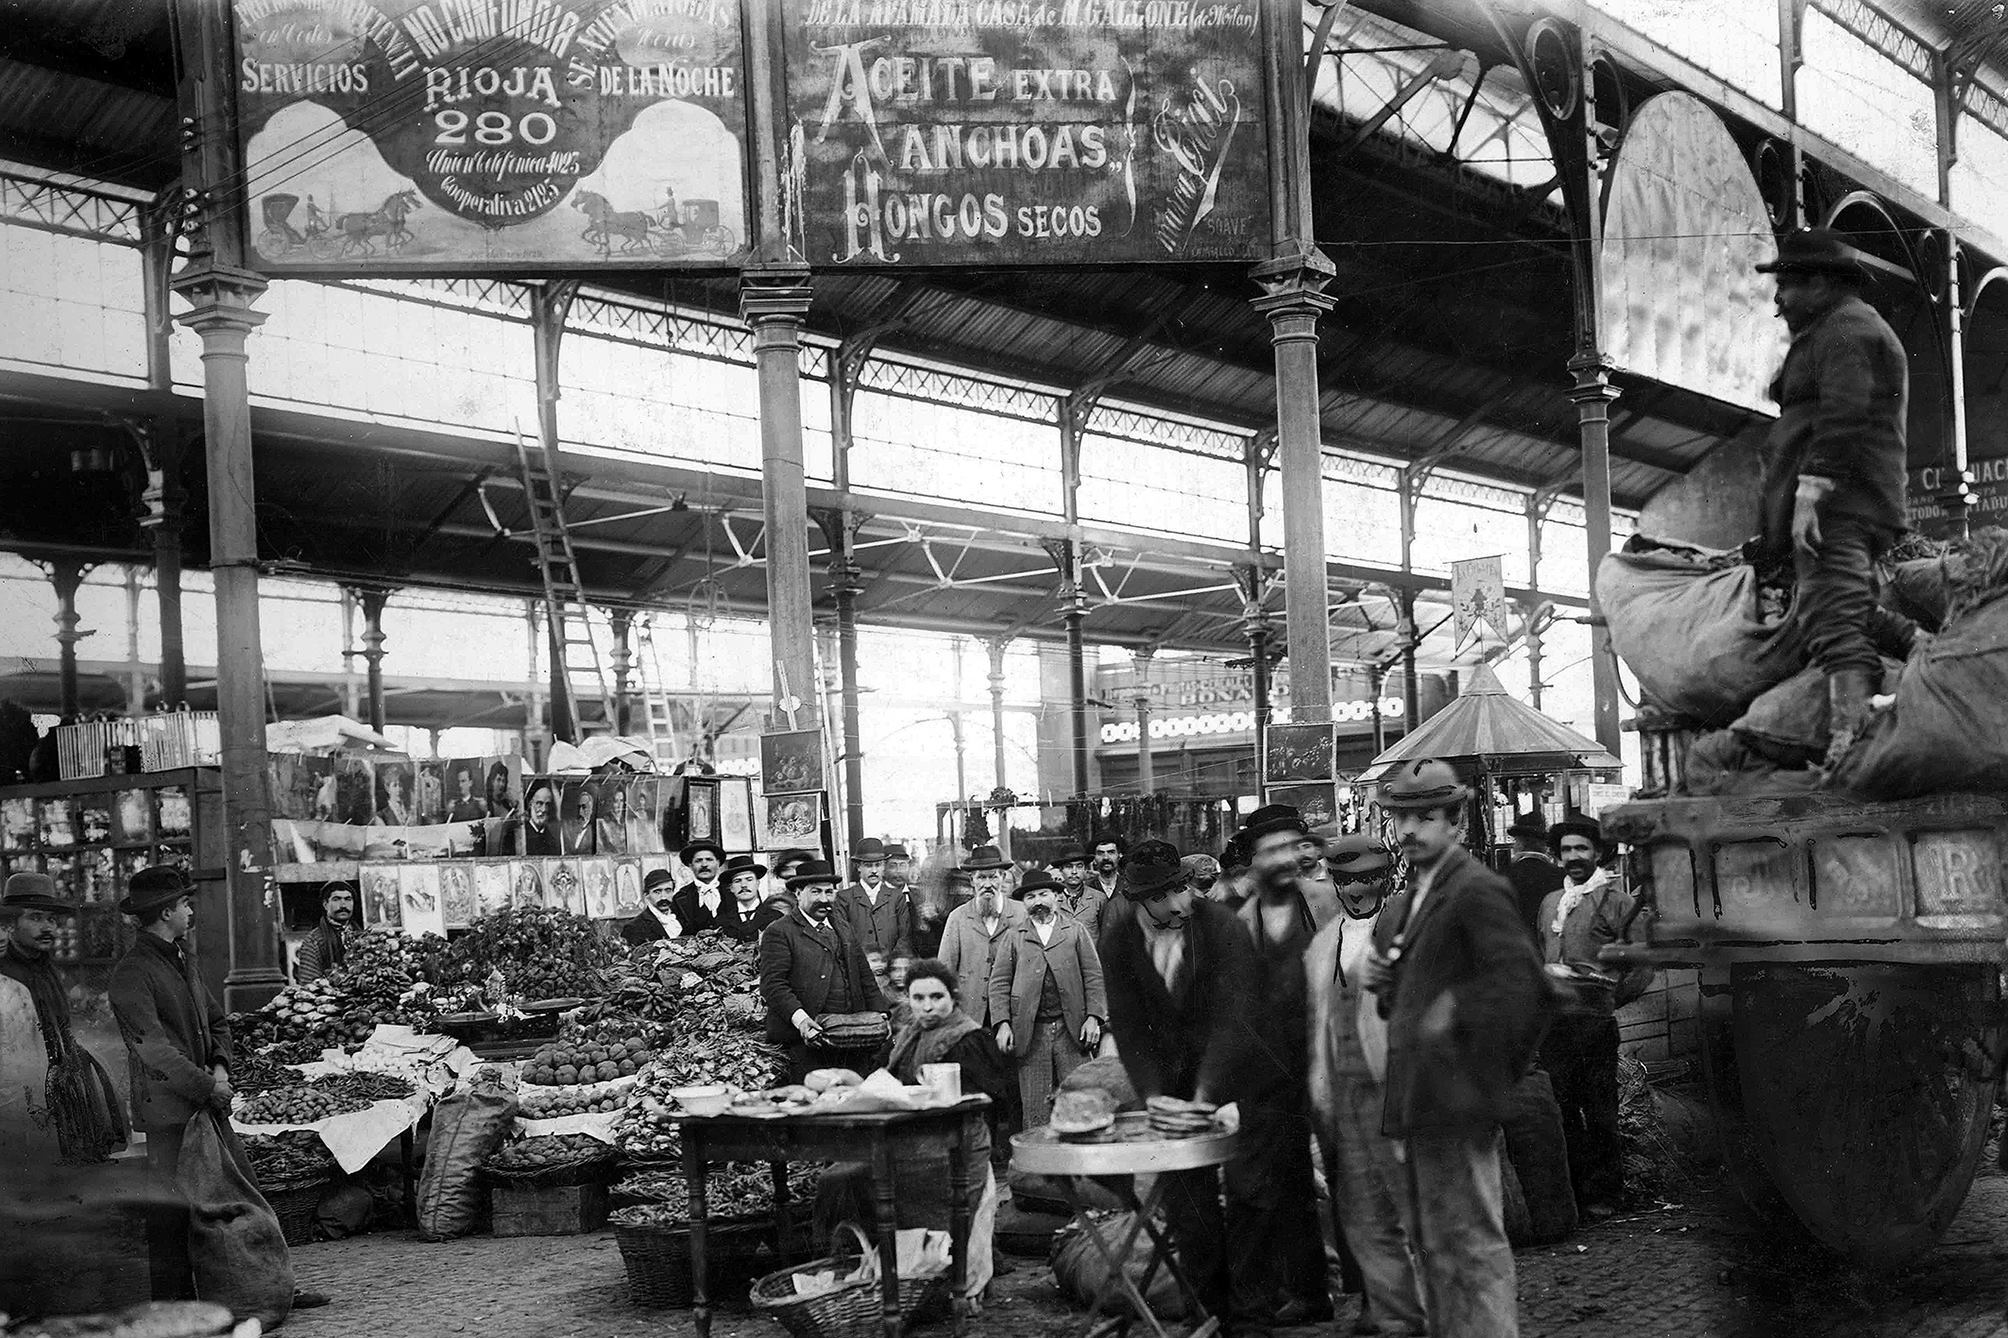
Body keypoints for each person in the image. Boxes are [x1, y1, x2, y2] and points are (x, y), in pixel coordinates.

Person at [1363, 759, 1548, 1338]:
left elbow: (1525, 988)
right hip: (1422, 1100)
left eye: (1426, 817)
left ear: (1457, 824)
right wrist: (1389, 987)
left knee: (1471, 1244)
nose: (1410, 830)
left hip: (1457, 1102)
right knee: (1437, 1244)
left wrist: (1471, 1052)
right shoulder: (1417, 895)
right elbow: (1415, 1002)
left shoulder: (1476, 888)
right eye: (1401, 818)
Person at [108, 866, 329, 1313]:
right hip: (169, 1114)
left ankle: (263, 1288)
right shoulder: (133, 973)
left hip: (208, 1104)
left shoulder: (182, 961)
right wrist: (209, 1086)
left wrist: (222, 1069)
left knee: (238, 1196)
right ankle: (174, 1307)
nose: (192, 911)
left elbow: (218, 1022)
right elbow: (154, 1051)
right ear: (166, 911)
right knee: (172, 1215)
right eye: (186, 904)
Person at [1754, 227, 1920, 768]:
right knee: (1841, 605)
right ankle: (1924, 651)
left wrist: (1811, 492)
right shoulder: (1838, 327)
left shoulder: (1846, 329)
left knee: (1835, 621)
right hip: (1851, 501)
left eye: (1787, 285)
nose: (1778, 299)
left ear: (1821, 282)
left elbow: (1845, 414)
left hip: (1843, 506)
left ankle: (1852, 743)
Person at [1098, 839, 1258, 1329]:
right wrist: (1156, 1098)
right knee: (1192, 1206)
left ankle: (1254, 1314)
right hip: (1174, 1082)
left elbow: (1237, 1020)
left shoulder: (1222, 928)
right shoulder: (1118, 939)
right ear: (1137, 900)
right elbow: (1128, 1027)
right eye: (1162, 896)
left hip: (1245, 1074)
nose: (1177, 904)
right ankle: (1206, 1314)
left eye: (1181, 890)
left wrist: (1209, 1096)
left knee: (1253, 1197)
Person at [1306, 836, 1426, 1338]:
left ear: (1385, 878)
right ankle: (1382, 1303)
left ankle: (1422, 1303)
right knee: (1357, 1205)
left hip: (1396, 1082)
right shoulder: (1320, 944)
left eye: (1368, 878)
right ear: (1334, 883)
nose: (1358, 890)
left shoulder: (1407, 929)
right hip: (1343, 1088)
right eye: (1347, 880)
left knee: (1407, 1199)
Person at [1230, 804, 1337, 1329]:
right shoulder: (1238, 920)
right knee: (1280, 1180)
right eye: (1271, 850)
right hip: (1268, 1072)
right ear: (1253, 862)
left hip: (1331, 1059)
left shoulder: (1326, 901)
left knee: (1351, 1176)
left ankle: (1380, 1294)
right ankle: (1305, 1291)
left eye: (1292, 847)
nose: (1284, 859)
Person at [1538, 815, 1654, 1222]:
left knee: (1600, 1110)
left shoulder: (1617, 902)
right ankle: (1575, 1194)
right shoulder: (1551, 903)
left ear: (1598, 853)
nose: (1573, 857)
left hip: (1594, 1023)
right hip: (1555, 1025)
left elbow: (1641, 965)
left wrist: (1609, 999)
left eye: (1581, 849)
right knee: (1562, 1110)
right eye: (1566, 850)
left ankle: (1606, 1194)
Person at [885, 960, 1013, 1305]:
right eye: (918, 998)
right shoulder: (909, 1036)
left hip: (961, 1143)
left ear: (953, 998)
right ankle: (905, 1279)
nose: (927, 1007)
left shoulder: (969, 1037)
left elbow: (990, 1099)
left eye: (936, 997)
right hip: (912, 1141)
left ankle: (954, 1282)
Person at [0, 872, 125, 1163]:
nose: (48, 928)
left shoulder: (45, 968)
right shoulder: (6, 977)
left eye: (52, 920)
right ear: (10, 925)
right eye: (35, 917)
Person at [988, 869, 1106, 1132]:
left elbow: (1094, 977)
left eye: (1043, 894)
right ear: (1024, 903)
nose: (1037, 901)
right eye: (1030, 896)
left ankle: (1084, 1163)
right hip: (1031, 1032)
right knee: (1035, 1108)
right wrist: (1003, 1023)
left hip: (1071, 1028)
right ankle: (1039, 1170)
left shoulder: (1075, 931)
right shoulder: (1014, 936)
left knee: (1080, 1098)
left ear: (1056, 896)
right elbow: (998, 984)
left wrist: (1093, 1018)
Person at [759, 858, 889, 1084]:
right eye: (815, 892)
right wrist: (802, 1021)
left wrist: (882, 1014)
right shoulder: (780, 931)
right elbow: (773, 985)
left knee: (854, 1099)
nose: (824, 899)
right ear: (798, 893)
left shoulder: (843, 926)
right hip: (807, 1041)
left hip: (851, 1037)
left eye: (829, 892)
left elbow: (865, 975)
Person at [938, 845, 1028, 1029]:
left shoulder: (1022, 914)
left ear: (1003, 878)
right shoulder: (958, 917)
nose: (987, 884)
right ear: (972, 880)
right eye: (981, 877)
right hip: (971, 1015)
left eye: (993, 876)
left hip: (1014, 1015)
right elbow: (944, 970)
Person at [839, 837, 914, 985]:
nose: (874, 870)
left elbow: (904, 935)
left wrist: (890, 965)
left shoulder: (896, 897)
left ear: (883, 867)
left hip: (890, 975)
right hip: (859, 973)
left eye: (878, 865)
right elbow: (845, 939)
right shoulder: (844, 899)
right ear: (858, 866)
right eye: (868, 865)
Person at [1503, 810, 1564, 944]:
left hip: (1516, 950)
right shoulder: (1561, 877)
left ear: (1518, 843)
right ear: (1544, 845)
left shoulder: (1503, 876)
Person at [714, 854, 784, 943]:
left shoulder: (776, 918)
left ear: (757, 883)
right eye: (737, 881)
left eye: (749, 879)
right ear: (731, 888)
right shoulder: (722, 921)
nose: (743, 885)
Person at [293, 882, 355, 983]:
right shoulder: (313, 940)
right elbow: (308, 981)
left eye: (348, 899)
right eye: (336, 899)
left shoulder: (363, 936)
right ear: (325, 905)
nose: (343, 905)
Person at [487, 779, 559, 855]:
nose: (544, 809)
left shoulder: (552, 840)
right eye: (539, 803)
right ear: (531, 804)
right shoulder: (517, 834)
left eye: (547, 804)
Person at [1051, 846, 1109, 938]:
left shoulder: (1099, 899)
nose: (1074, 871)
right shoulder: (1052, 899)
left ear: (1085, 869)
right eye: (1069, 867)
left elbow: (1106, 935)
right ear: (1061, 870)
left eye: (1079, 866)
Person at [673, 839, 726, 932]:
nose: (704, 865)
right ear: (690, 865)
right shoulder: (680, 898)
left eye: (709, 860)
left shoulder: (733, 891)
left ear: (718, 863)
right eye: (698, 861)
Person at [621, 868, 682, 946]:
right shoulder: (634, 927)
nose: (664, 897)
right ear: (646, 895)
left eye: (668, 890)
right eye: (657, 892)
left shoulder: (682, 917)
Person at [1088, 833, 1125, 903]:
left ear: (1119, 856)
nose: (1106, 857)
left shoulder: (1129, 887)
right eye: (1100, 853)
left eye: (1111, 852)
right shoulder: (1086, 889)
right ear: (1094, 859)